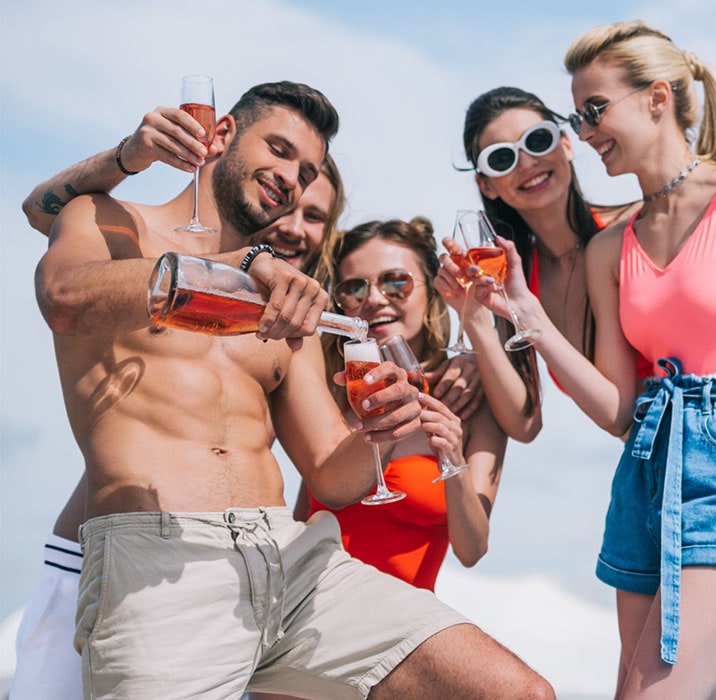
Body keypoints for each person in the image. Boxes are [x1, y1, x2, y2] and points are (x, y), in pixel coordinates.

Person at [29, 79, 554, 699]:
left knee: (515, 693)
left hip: (293, 560)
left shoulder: (290, 296)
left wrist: (380, 430)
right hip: (160, 559)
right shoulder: (111, 223)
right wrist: (239, 268)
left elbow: (332, 473)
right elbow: (63, 299)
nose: (290, 177)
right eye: (277, 150)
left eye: (305, 172)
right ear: (221, 135)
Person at [459, 22, 716, 698]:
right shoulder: (609, 250)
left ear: (659, 97)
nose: (588, 129)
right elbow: (619, 408)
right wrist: (525, 324)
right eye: (581, 114)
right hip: (647, 474)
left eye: (591, 111)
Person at [293, 218, 507, 592]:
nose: (374, 299)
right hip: (312, 610)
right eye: (354, 288)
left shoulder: (468, 400)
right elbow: (300, 524)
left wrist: (452, 456)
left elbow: (472, 550)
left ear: (431, 289)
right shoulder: (333, 392)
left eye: (396, 282)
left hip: (401, 627)